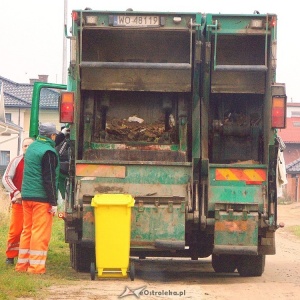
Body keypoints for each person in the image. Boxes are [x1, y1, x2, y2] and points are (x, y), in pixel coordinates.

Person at [15, 122, 60, 274]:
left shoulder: (32, 148)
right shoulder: (48, 152)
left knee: (27, 230)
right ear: (52, 135)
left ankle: (22, 266)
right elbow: (49, 179)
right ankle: (35, 268)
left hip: (27, 196)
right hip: (41, 198)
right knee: (40, 232)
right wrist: (53, 202)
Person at [2, 137, 34, 265]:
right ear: (22, 148)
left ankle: (28, 256)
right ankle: (10, 256)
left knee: (31, 231)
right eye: (25, 146)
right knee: (15, 231)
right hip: (19, 203)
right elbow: (6, 178)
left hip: (33, 203)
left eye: (29, 146)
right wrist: (16, 192)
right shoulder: (16, 161)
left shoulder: (38, 162)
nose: (27, 148)